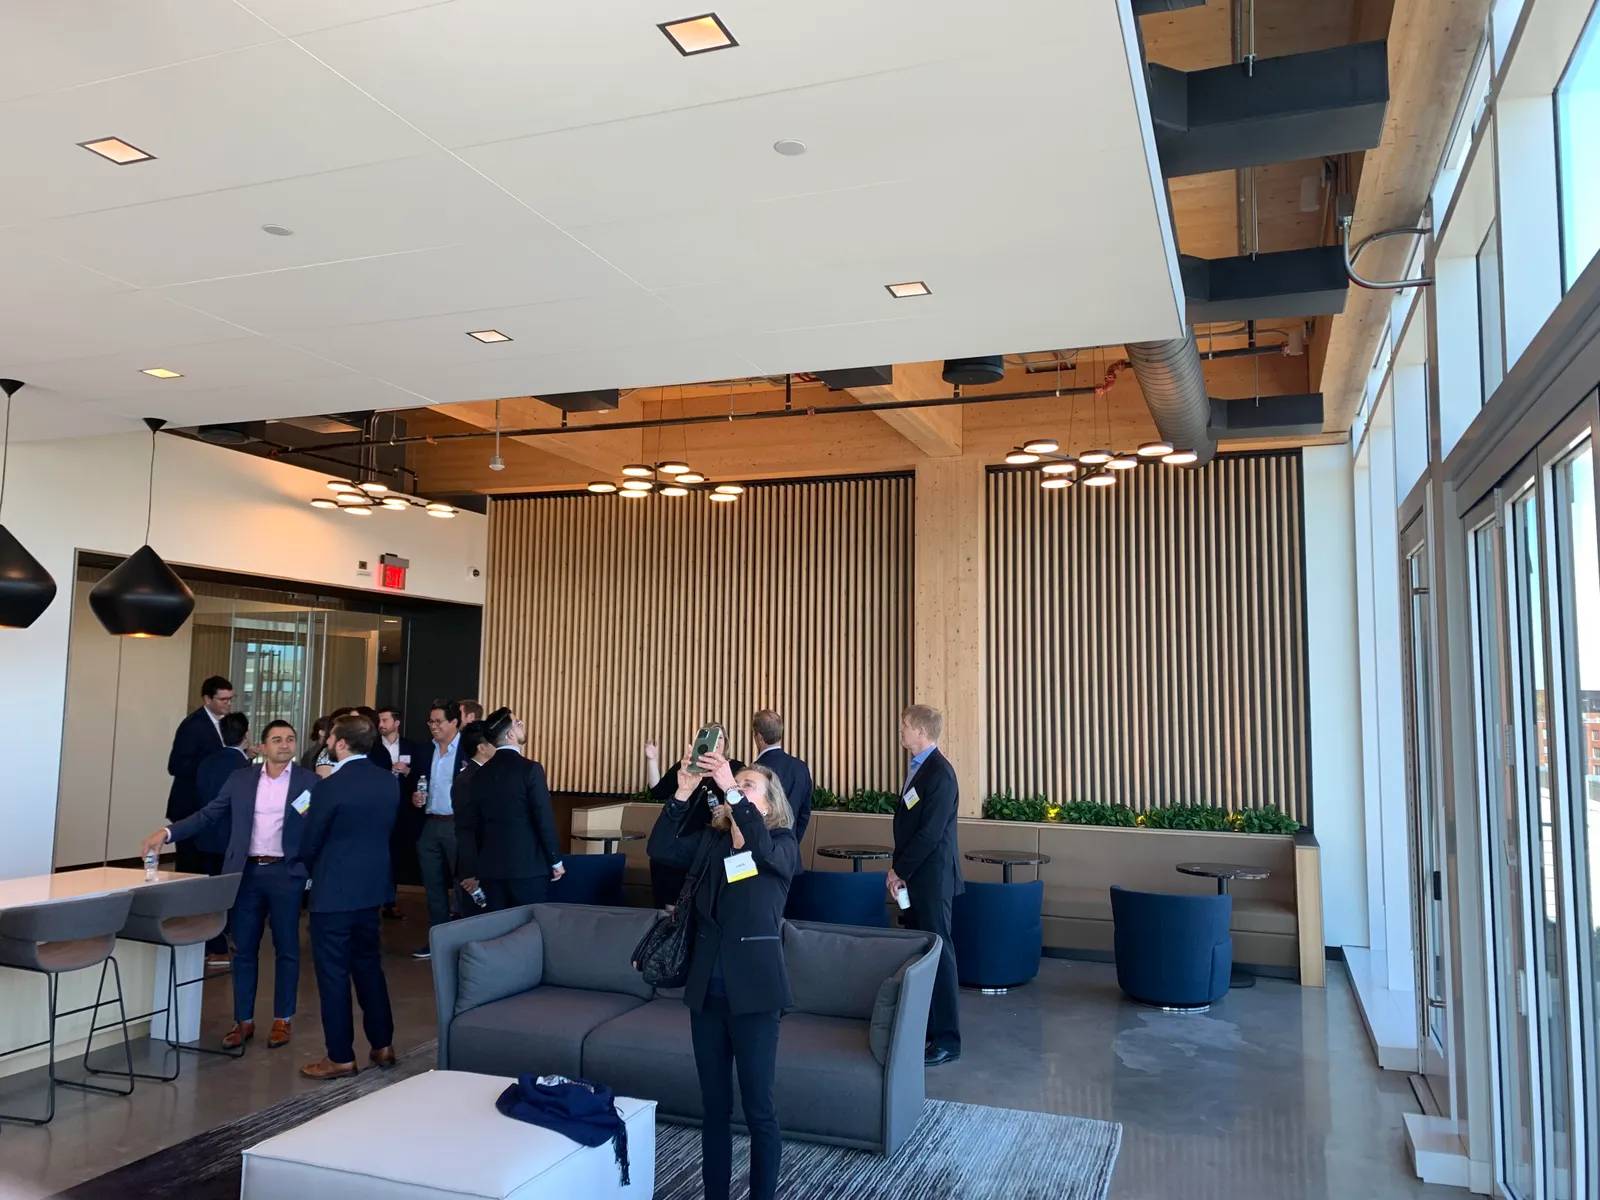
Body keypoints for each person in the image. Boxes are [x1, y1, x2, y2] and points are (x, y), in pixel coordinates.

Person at [647, 749, 798, 1200]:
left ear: (767, 804)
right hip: (706, 993)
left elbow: (758, 846)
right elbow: (661, 848)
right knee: (714, 1110)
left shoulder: (782, 844)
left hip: (755, 994)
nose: (736, 789)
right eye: (736, 784)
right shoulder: (712, 842)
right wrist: (682, 793)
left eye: (748, 785)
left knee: (760, 1111)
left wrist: (730, 786)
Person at [144, 719, 318, 1050]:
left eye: (290, 739)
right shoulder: (241, 779)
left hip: (286, 874)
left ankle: (283, 1018)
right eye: (277, 739)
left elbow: (319, 828)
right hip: (246, 874)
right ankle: (243, 1020)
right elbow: (209, 815)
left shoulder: (310, 783)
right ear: (262, 746)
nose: (284, 744)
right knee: (243, 949)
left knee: (287, 948)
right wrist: (167, 834)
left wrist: (309, 868)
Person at [296, 713, 399, 1080]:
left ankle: (340, 1056)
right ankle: (383, 1045)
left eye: (330, 739)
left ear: (341, 743)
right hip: (372, 890)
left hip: (333, 892)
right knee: (370, 967)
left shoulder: (329, 787)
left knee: (333, 975)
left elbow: (311, 840)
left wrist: (306, 869)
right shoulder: (389, 783)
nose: (326, 744)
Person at [885, 704, 963, 1065]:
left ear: (920, 730)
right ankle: (925, 1032)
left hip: (931, 880)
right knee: (920, 954)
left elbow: (931, 834)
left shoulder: (940, 774)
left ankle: (947, 1039)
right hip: (915, 877)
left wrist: (899, 869)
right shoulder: (918, 770)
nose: (900, 731)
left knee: (939, 955)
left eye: (904, 726)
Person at [456, 708, 564, 910]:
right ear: (511, 734)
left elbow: (472, 825)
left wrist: (475, 867)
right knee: (529, 928)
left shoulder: (479, 775)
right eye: (518, 723)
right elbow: (543, 818)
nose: (522, 724)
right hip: (527, 868)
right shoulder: (530, 769)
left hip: (490, 869)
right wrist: (555, 860)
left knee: (497, 930)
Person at [648, 725, 742, 907]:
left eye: (720, 737)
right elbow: (658, 792)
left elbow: (746, 807)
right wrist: (651, 759)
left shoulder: (735, 769)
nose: (715, 742)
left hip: (708, 847)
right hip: (676, 842)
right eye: (709, 737)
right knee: (670, 909)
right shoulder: (688, 767)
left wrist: (727, 810)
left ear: (726, 744)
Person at [191, 712, 251, 963]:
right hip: (233, 841)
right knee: (235, 895)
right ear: (246, 736)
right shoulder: (245, 768)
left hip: (206, 837)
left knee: (212, 893)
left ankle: (212, 942)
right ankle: (230, 940)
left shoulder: (206, 763)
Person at [410, 700, 463, 959]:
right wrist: (415, 797)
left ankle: (467, 940)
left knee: (465, 883)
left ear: (455, 722)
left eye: (439, 721)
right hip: (430, 823)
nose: (433, 726)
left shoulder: (468, 750)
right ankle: (438, 940)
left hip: (458, 825)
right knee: (433, 886)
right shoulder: (424, 751)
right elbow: (416, 782)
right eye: (430, 721)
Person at [165, 676, 234, 873]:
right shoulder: (193, 725)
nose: (228, 704)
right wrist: (212, 765)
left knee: (205, 863)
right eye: (223, 699)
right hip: (190, 805)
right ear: (207, 699)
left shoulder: (223, 724)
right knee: (189, 864)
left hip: (208, 805)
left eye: (230, 699)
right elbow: (176, 765)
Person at [377, 706, 425, 922]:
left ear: (396, 723)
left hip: (403, 808)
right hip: (377, 807)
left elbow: (420, 774)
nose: (381, 724)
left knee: (395, 856)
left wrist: (407, 772)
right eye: (380, 720)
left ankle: (390, 901)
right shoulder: (373, 747)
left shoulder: (411, 747)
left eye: (385, 720)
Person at [749, 709, 813, 847]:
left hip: (760, 852)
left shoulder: (754, 772)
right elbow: (804, 814)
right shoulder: (801, 767)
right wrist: (793, 843)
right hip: (791, 851)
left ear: (759, 737)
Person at [450, 720, 496, 897]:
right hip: (476, 870)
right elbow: (465, 829)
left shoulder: (490, 774)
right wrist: (471, 872)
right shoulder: (466, 780)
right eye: (493, 742)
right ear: (482, 748)